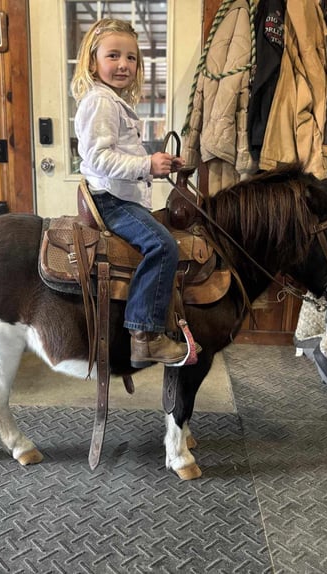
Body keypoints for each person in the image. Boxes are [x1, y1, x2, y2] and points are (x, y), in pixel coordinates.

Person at [71, 18, 199, 368]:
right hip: (110, 200)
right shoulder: (101, 101)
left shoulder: (113, 101)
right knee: (162, 245)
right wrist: (146, 166)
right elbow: (97, 157)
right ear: (92, 61)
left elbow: (121, 154)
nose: (124, 64)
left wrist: (157, 163)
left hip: (119, 196)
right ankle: (145, 336)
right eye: (113, 55)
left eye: (131, 58)